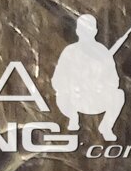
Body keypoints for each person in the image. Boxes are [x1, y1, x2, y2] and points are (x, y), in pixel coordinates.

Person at [51, 13, 126, 142]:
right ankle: (73, 119)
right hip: (74, 100)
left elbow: (114, 81)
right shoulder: (70, 52)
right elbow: (57, 80)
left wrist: (102, 85)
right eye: (83, 29)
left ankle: (106, 127)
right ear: (78, 31)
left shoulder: (102, 52)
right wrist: (72, 86)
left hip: (95, 99)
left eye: (89, 30)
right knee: (62, 96)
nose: (86, 33)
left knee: (118, 95)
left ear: (95, 31)